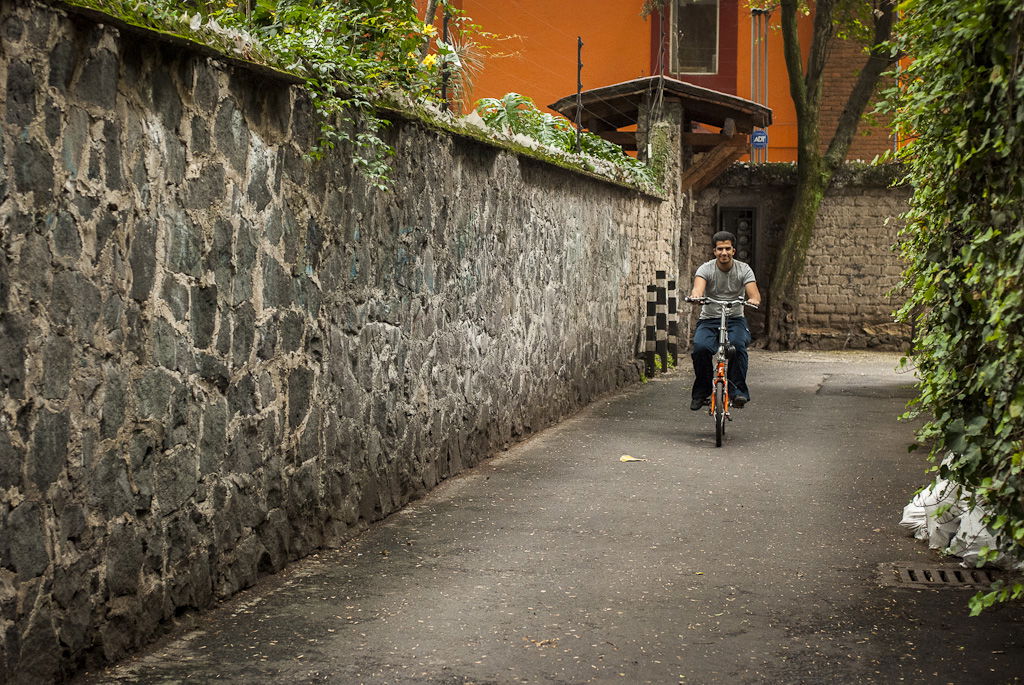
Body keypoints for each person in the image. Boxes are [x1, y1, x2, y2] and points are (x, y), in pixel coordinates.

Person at [688, 231, 761, 411]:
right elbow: (698, 287)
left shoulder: (744, 269)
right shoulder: (706, 269)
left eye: (727, 248)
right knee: (700, 348)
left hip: (735, 319)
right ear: (714, 251)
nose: (724, 253)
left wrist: (753, 300)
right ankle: (702, 392)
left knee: (737, 346)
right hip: (709, 319)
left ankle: (738, 392)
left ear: (734, 250)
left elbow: (754, 293)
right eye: (720, 249)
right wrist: (696, 296)